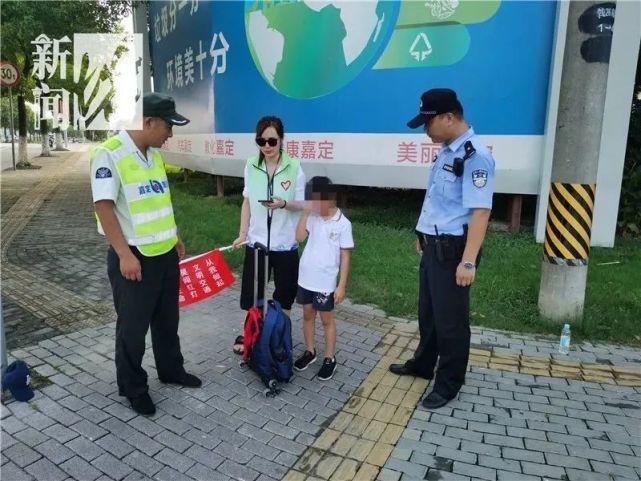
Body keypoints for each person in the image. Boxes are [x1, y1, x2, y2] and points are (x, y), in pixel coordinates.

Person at [90, 93, 201, 416]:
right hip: (134, 258)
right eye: (169, 125)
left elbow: (159, 201)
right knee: (133, 329)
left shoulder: (152, 155)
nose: (171, 133)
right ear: (149, 122)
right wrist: (124, 254)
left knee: (168, 321)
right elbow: (104, 207)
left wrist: (175, 235)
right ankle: (133, 387)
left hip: (165, 253)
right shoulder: (109, 155)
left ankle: (171, 370)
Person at [389, 88, 495, 409]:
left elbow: (480, 212)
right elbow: (437, 199)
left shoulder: (475, 156)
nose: (425, 131)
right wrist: (422, 233)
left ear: (449, 117)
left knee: (451, 321)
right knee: (429, 313)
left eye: (428, 123)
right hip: (433, 245)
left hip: (453, 251)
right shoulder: (448, 150)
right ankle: (423, 365)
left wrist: (468, 261)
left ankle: (449, 382)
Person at [232, 116, 305, 354]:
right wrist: (243, 232)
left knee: (284, 298)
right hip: (258, 243)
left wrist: (284, 203)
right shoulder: (251, 165)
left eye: (272, 141)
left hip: (285, 245)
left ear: (281, 140)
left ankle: (279, 340)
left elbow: (302, 204)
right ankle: (251, 336)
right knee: (253, 297)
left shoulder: (295, 167)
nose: (267, 147)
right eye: (261, 141)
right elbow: (246, 202)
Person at [293, 177, 353, 381]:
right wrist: (305, 212)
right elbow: (300, 238)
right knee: (308, 315)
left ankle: (329, 358)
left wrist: (341, 285)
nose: (315, 205)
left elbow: (345, 256)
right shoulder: (312, 217)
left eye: (318, 201)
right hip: (306, 277)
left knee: (326, 319)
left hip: (326, 281)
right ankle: (310, 351)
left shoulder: (343, 223)